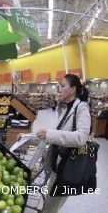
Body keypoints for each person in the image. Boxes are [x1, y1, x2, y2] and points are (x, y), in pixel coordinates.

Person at [36, 74, 91, 213]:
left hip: (68, 168)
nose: (59, 89)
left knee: (50, 208)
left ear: (73, 89)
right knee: (49, 203)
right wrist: (26, 136)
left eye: (62, 85)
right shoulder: (65, 108)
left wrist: (49, 133)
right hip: (58, 165)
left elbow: (81, 138)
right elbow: (53, 133)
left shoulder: (82, 108)